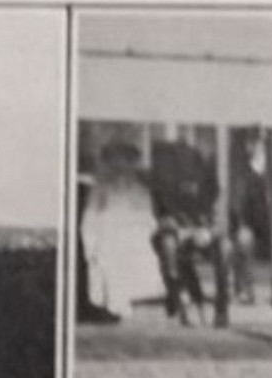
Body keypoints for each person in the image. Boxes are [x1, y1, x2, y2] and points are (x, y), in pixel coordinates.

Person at [150, 136, 230, 327]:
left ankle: (221, 308)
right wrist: (179, 229)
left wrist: (208, 230)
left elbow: (216, 213)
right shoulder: (162, 182)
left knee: (225, 249)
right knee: (170, 247)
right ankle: (181, 301)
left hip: (200, 231)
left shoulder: (206, 182)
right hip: (174, 232)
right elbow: (161, 217)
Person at [80, 142, 163, 320]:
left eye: (127, 163)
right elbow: (91, 216)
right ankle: (113, 301)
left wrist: (138, 225)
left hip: (133, 235)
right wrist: (92, 241)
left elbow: (149, 219)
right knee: (108, 255)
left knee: (129, 253)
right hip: (105, 233)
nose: (122, 168)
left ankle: (125, 299)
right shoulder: (101, 189)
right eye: (117, 163)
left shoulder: (140, 190)